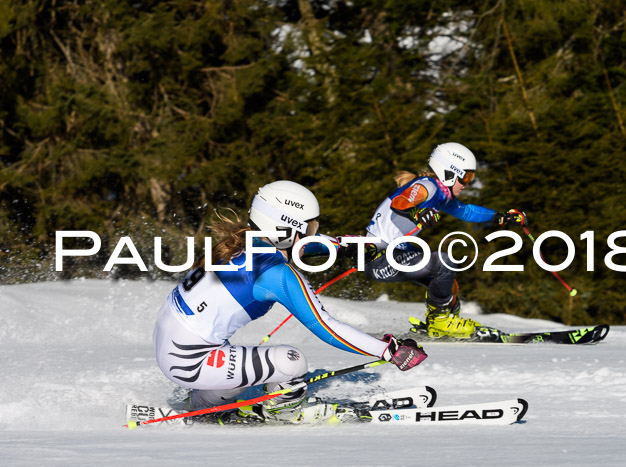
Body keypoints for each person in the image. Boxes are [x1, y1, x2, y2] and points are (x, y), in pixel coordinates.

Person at [153, 180, 427, 424]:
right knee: (290, 362)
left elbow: (311, 244)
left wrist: (355, 247)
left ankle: (203, 405)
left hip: (174, 347)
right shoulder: (275, 274)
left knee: (245, 367)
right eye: (308, 227)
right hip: (190, 361)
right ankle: (285, 412)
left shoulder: (243, 241)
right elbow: (327, 328)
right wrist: (389, 350)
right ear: (284, 228)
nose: (312, 233)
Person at [346, 142, 527, 339]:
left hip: (395, 255)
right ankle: (441, 322)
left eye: (471, 178)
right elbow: (401, 202)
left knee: (449, 286)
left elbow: (466, 211)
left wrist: (501, 217)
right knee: (442, 262)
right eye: (465, 177)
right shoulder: (426, 186)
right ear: (449, 172)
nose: (467, 183)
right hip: (380, 258)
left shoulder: (440, 194)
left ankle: (441, 323)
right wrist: (418, 212)